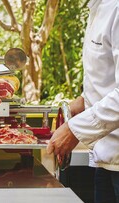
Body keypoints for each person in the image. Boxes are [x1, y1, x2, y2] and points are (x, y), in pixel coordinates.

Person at [46, 0, 119, 202]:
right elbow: (109, 79)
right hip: (105, 160)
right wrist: (85, 100)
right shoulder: (97, 8)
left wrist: (75, 129)